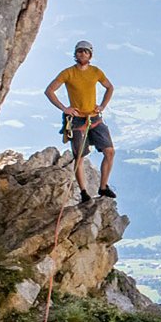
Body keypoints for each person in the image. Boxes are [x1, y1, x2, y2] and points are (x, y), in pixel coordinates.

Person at [45, 40, 116, 203]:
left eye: (85, 51)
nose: (82, 54)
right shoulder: (68, 73)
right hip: (77, 120)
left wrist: (102, 106)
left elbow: (109, 87)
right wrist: (65, 108)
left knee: (110, 151)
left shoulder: (96, 72)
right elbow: (49, 91)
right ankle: (84, 192)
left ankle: (103, 187)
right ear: (75, 54)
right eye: (79, 51)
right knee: (79, 157)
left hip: (94, 117)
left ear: (90, 55)